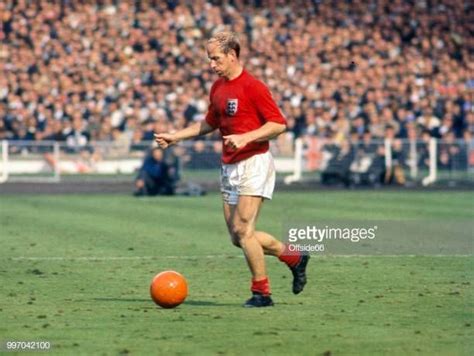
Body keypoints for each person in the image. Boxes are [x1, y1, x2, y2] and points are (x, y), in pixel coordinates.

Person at [155, 31, 309, 308]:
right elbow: (209, 123)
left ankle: (262, 293)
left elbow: (278, 124)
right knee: (238, 237)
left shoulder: (253, 87)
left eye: (215, 59)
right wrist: (176, 136)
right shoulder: (218, 87)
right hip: (229, 167)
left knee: (242, 229)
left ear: (232, 55)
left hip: (254, 162)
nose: (211, 64)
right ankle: (295, 257)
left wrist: (246, 137)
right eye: (209, 59)